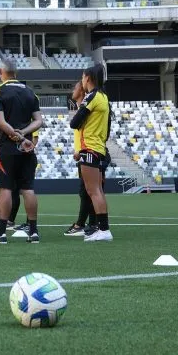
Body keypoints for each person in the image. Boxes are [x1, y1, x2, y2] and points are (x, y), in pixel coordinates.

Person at [0, 59, 44, 244]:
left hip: (7, 147)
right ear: (16, 73)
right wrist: (24, 134)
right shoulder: (30, 92)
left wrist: (17, 136)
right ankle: (33, 231)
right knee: (28, 188)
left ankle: (1, 233)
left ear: (0, 71)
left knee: (5, 188)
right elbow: (38, 121)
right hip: (27, 148)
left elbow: (0, 122)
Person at [70, 64, 113, 242]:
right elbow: (107, 129)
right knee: (97, 190)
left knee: (93, 190)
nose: (81, 80)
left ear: (87, 78)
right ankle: (102, 228)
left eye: (82, 77)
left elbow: (74, 123)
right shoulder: (104, 97)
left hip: (89, 148)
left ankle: (103, 229)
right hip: (98, 147)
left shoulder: (92, 96)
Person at [64, 81, 97, 237]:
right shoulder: (80, 109)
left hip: (87, 153)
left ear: (82, 91)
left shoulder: (84, 111)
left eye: (76, 87)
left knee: (88, 192)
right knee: (86, 192)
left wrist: (81, 150)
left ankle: (86, 224)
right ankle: (88, 224)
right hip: (83, 154)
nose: (73, 90)